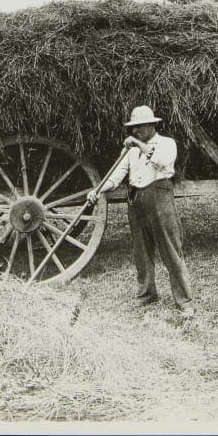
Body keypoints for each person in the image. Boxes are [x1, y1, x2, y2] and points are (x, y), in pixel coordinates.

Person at [87, 106, 195, 319]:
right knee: (142, 252)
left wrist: (137, 144)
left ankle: (184, 301)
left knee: (171, 250)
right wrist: (98, 190)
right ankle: (147, 295)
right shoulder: (129, 150)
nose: (135, 131)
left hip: (159, 196)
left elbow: (161, 162)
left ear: (152, 125)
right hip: (135, 200)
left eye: (140, 127)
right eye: (133, 128)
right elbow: (117, 176)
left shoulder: (166, 143)